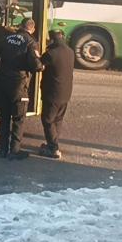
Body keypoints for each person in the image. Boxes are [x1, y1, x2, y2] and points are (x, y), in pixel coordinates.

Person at [0, 18, 42, 160]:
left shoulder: (7, 38)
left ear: (20, 26)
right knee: (18, 118)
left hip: (2, 82)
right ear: (32, 29)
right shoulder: (31, 42)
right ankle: (14, 150)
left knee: (4, 117)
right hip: (18, 84)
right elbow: (37, 66)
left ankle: (2, 150)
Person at [38, 30, 74, 159]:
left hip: (53, 93)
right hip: (66, 93)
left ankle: (53, 148)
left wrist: (36, 55)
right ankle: (53, 143)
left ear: (52, 40)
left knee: (47, 120)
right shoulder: (70, 51)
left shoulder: (51, 53)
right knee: (58, 119)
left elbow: (38, 64)